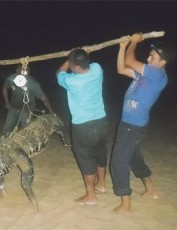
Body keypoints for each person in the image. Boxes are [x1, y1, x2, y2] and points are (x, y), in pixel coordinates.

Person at [110, 33, 176, 213]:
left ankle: (125, 204)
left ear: (163, 61)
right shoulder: (145, 75)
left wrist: (134, 42)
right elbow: (122, 69)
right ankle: (151, 190)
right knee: (133, 158)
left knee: (118, 161)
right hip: (129, 124)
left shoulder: (157, 74)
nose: (148, 58)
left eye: (152, 56)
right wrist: (123, 47)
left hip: (133, 126)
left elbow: (131, 61)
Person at [56, 48, 108, 206]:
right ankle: (101, 185)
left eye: (72, 65)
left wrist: (68, 59)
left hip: (82, 125)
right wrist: (80, 55)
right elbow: (84, 63)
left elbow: (59, 72)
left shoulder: (72, 82)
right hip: (100, 121)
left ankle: (91, 196)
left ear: (76, 66)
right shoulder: (98, 69)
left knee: (85, 159)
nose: (70, 67)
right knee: (100, 154)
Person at [2, 64, 54, 135]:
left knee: (26, 132)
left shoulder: (32, 83)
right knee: (6, 130)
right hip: (14, 107)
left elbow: (43, 97)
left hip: (27, 108)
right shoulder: (12, 78)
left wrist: (50, 110)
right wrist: (7, 102)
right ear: (16, 70)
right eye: (20, 70)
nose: (23, 73)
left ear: (28, 72)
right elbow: (4, 88)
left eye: (25, 70)